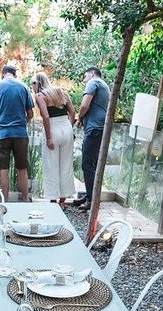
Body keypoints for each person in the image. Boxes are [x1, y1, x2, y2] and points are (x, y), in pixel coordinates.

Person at [0, 65, 35, 201]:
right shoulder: (24, 87)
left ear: (3, 74)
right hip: (20, 133)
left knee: (3, 170)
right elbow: (30, 113)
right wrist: (23, 123)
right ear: (15, 74)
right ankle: (25, 199)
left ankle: (5, 201)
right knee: (22, 168)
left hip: (1, 133)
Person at [30, 72, 76, 210]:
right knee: (66, 165)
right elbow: (72, 112)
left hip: (53, 129)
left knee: (51, 165)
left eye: (33, 83)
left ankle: (53, 200)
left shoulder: (40, 96)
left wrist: (49, 137)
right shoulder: (61, 92)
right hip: (66, 127)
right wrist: (69, 127)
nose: (32, 87)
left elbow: (45, 116)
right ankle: (63, 200)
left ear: (38, 83)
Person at [76, 66, 110, 212]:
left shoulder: (93, 82)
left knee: (87, 164)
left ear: (91, 74)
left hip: (94, 128)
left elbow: (84, 104)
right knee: (92, 165)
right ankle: (90, 196)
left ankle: (91, 200)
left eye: (85, 76)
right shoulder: (105, 86)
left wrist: (79, 117)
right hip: (101, 127)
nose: (84, 80)